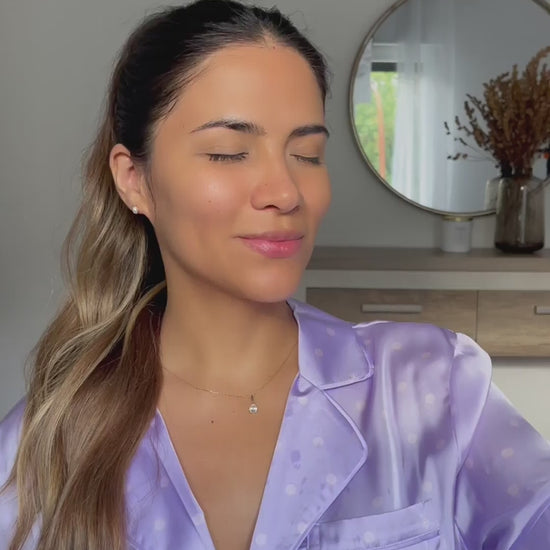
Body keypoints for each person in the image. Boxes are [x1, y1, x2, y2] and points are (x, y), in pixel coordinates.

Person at [1, 0, 550, 548]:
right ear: (134, 180)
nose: (286, 193)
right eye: (228, 153)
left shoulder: (431, 389)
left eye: (307, 155)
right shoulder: (44, 445)